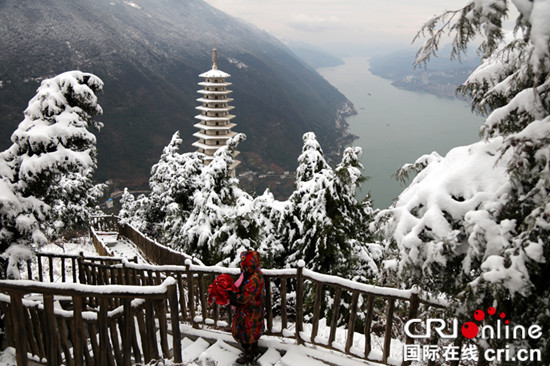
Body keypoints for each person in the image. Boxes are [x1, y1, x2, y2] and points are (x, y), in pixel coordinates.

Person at [228, 250, 265, 364]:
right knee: (252, 332)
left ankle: (249, 355)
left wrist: (231, 295)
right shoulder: (253, 271)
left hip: (248, 311)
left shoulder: (254, 278)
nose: (241, 264)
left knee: (245, 334)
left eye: (244, 262)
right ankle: (253, 350)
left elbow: (244, 297)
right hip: (253, 309)